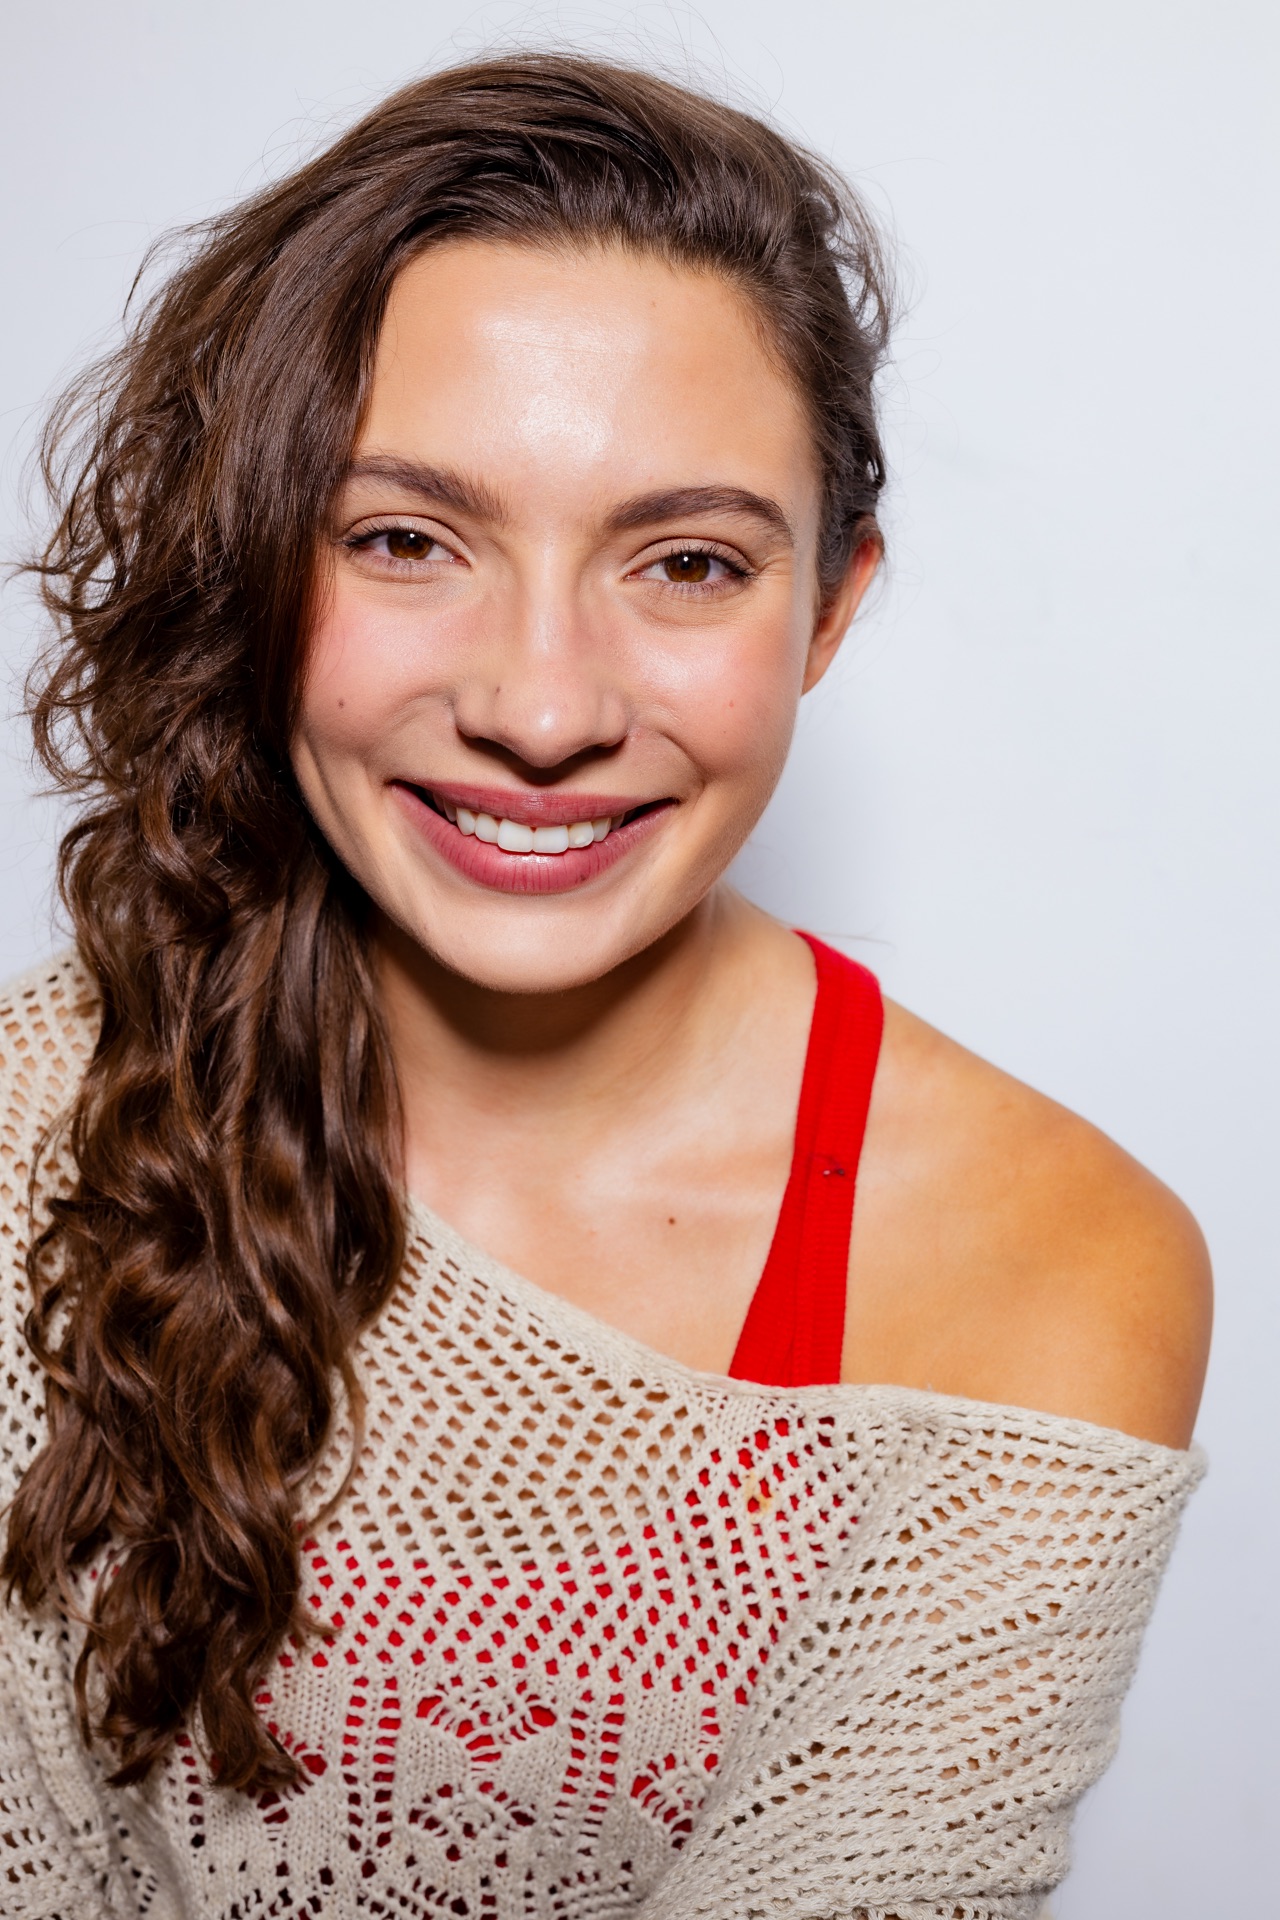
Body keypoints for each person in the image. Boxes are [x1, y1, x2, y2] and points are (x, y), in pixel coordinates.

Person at [0, 53, 1210, 1920]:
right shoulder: (31, 1119)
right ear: (256, 563)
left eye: (688, 562)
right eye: (406, 540)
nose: (543, 707)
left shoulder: (1045, 1264)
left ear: (829, 611)